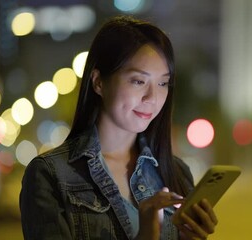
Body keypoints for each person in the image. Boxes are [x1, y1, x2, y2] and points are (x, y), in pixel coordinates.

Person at [20, 15, 218, 240]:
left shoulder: (176, 173)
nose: (152, 97)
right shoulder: (50, 175)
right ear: (98, 82)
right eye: (138, 81)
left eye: (163, 83)